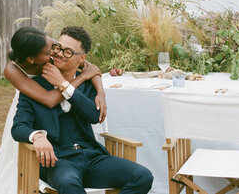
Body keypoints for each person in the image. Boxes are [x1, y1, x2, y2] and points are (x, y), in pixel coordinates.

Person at [12, 26, 154, 194]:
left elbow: (94, 116)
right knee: (69, 183)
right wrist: (37, 136)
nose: (59, 54)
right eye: (58, 48)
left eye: (68, 52)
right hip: (58, 161)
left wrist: (65, 85)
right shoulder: (34, 88)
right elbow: (18, 127)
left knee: (143, 176)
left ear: (82, 59)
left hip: (92, 157)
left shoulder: (88, 85)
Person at [0, 27, 106, 194]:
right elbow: (50, 99)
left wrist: (100, 92)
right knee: (14, 163)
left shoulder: (48, 47)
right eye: (49, 52)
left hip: (56, 100)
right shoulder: (12, 70)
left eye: (54, 46)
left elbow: (88, 66)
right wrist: (80, 78)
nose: (55, 54)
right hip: (34, 106)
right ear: (32, 59)